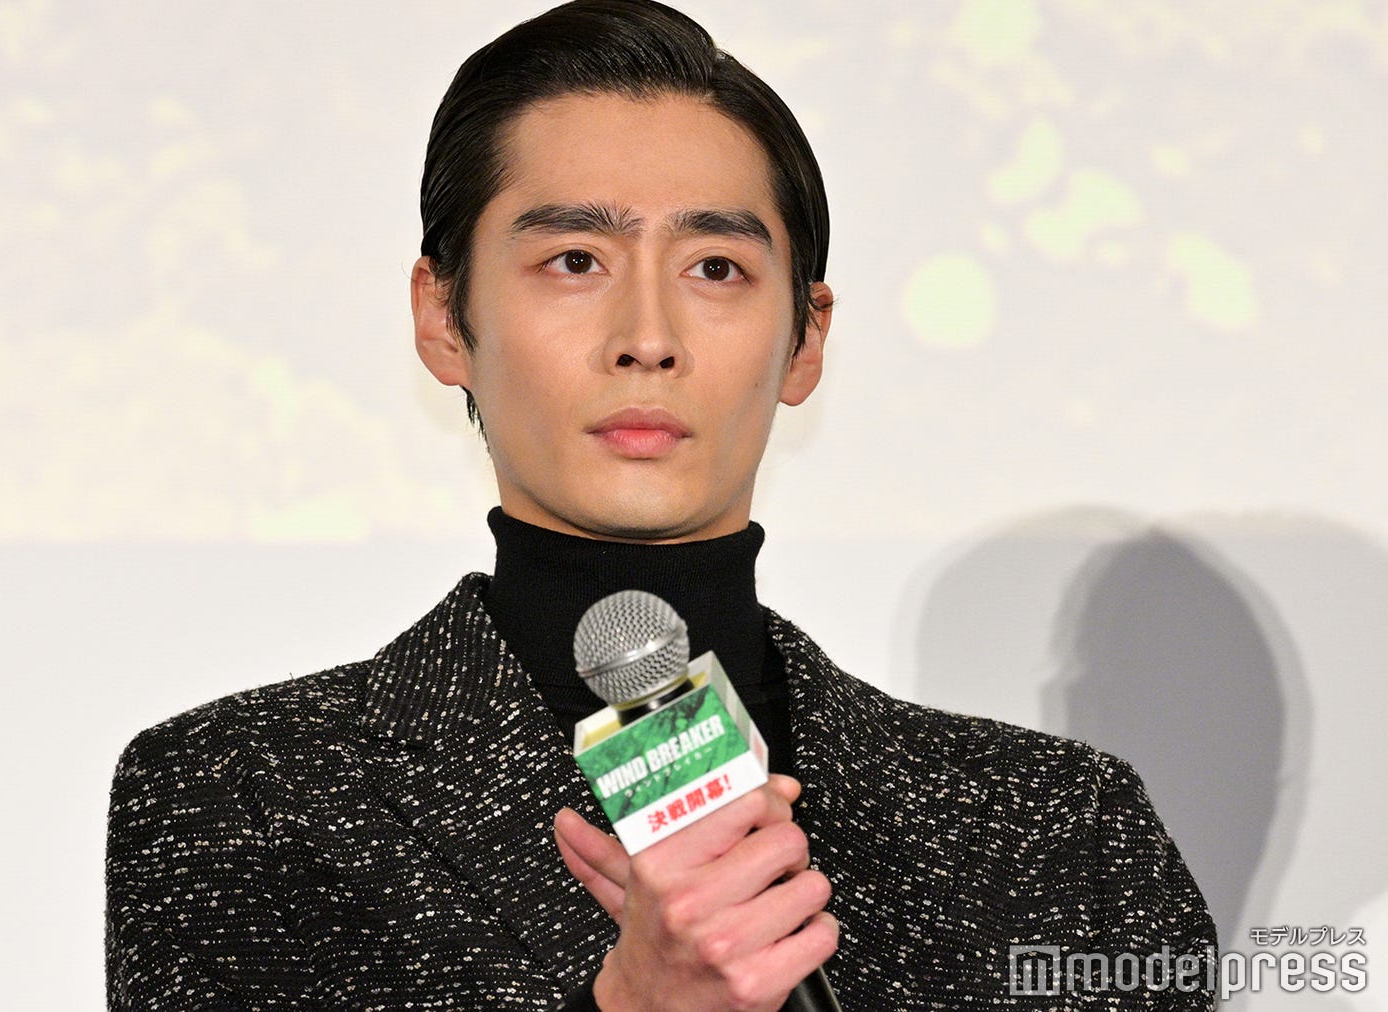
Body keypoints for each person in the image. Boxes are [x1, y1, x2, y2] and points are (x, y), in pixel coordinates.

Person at [105, 2, 1217, 1009]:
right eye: (574, 260)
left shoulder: (1056, 832)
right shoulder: (244, 798)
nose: (647, 337)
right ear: (443, 319)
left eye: (715, 268)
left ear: (805, 339)